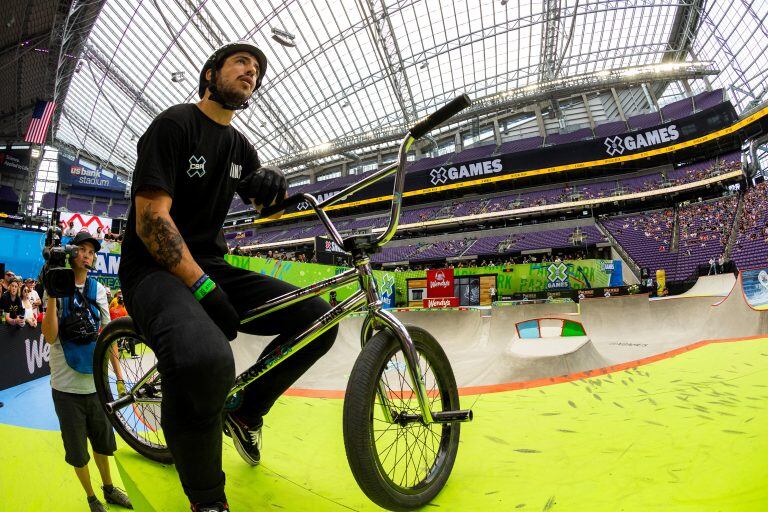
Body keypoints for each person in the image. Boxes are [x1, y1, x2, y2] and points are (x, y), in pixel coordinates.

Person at [118, 41, 339, 512]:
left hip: (212, 265)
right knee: (207, 359)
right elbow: (151, 220)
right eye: (241, 62)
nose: (251, 71)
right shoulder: (174, 124)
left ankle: (245, 411)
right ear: (211, 73)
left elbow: (261, 208)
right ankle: (208, 500)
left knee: (320, 319)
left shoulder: (241, 147)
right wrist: (200, 285)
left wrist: (272, 190)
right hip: (153, 268)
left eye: (257, 69)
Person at [40, 231, 133, 512]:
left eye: (92, 252)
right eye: (81, 249)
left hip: (96, 384)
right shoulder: (53, 287)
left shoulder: (100, 291)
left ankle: (108, 489)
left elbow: (109, 338)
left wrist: (117, 377)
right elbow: (51, 337)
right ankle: (92, 497)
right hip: (66, 388)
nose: (87, 255)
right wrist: (54, 294)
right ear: (70, 253)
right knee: (78, 453)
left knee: (103, 445)